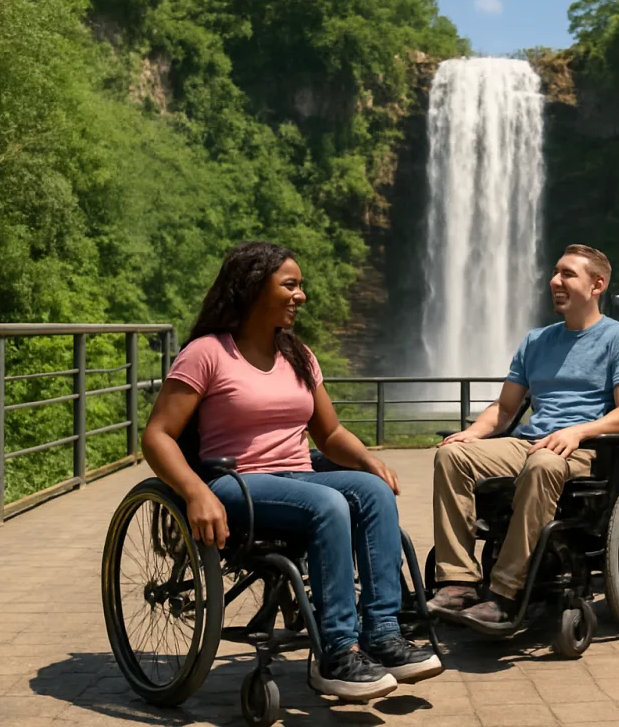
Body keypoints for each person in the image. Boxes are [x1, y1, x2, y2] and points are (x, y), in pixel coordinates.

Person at [140, 241, 441, 702]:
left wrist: (366, 460)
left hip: (300, 476)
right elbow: (157, 435)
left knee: (372, 491)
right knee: (329, 503)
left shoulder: (298, 355)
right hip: (234, 483)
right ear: (255, 287)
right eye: (291, 285)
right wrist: (196, 492)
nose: (301, 295)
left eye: (301, 286)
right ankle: (337, 653)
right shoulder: (207, 353)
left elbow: (331, 433)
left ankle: (382, 632)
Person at [428, 245, 619, 626]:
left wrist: (578, 432)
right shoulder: (536, 341)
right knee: (451, 456)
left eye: (567, 274)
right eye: (555, 273)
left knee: (544, 463)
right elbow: (504, 409)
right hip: (531, 441)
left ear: (597, 285)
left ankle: (504, 592)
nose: (554, 281)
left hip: (587, 447)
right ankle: (458, 581)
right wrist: (472, 434)